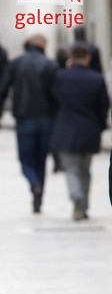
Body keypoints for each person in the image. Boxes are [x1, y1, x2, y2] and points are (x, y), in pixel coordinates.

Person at [0, 33, 58, 213]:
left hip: (24, 117)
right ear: (42, 45)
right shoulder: (50, 65)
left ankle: (34, 182)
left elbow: (2, 88)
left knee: (26, 159)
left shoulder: (17, 63)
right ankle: (38, 198)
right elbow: (57, 94)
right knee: (41, 160)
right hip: (45, 118)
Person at [50, 43, 110, 221]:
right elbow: (104, 106)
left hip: (66, 129)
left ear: (70, 58)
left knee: (71, 168)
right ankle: (83, 206)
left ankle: (76, 196)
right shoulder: (97, 78)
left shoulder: (61, 77)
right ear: (87, 58)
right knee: (85, 170)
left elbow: (53, 100)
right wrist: (100, 127)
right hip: (89, 130)